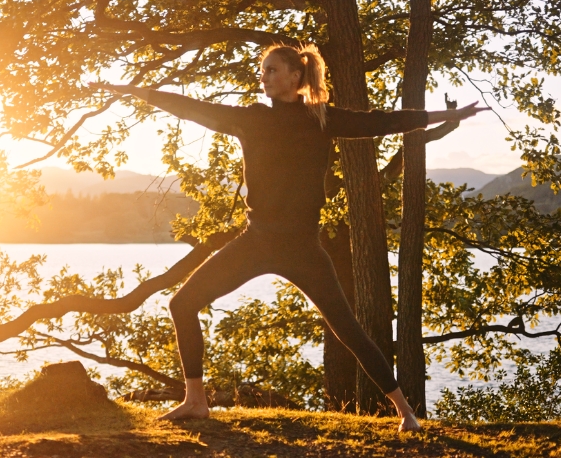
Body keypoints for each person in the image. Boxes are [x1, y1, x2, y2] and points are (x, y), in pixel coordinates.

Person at [90, 43, 487, 432]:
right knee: (183, 304)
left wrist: (443, 114)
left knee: (347, 329)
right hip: (257, 240)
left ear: (296, 77)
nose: (263, 77)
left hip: (302, 247)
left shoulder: (321, 119)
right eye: (262, 70)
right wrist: (135, 91)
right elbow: (191, 108)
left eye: (272, 70)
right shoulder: (250, 118)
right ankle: (196, 402)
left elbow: (380, 122)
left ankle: (405, 412)